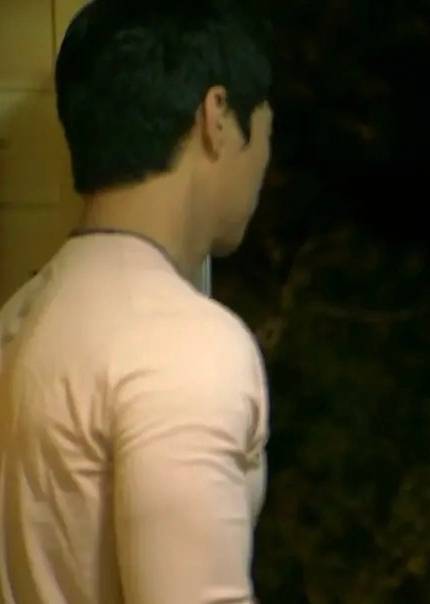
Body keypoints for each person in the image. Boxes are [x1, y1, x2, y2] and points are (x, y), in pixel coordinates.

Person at [0, 1, 274, 602]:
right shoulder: (183, 347)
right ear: (217, 117)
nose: (264, 166)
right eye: (265, 134)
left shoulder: (18, 318)